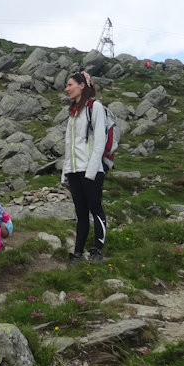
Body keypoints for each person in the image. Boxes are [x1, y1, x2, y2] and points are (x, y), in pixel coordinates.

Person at [61, 70, 107, 263]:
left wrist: (91, 171)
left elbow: (99, 141)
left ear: (82, 85)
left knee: (95, 208)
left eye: (70, 84)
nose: (67, 88)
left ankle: (97, 250)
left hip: (91, 169)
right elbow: (69, 145)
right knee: (80, 212)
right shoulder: (73, 112)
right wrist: (65, 172)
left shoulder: (94, 106)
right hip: (74, 170)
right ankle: (78, 253)